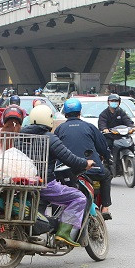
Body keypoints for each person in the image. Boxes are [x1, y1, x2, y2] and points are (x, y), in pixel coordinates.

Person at [21, 105, 94, 246]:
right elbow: (70, 158)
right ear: (48, 120)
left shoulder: (20, 136)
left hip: (23, 183)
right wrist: (85, 163)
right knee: (79, 197)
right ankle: (63, 233)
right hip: (44, 184)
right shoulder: (50, 138)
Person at [55, 98, 113, 219]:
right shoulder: (89, 127)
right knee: (107, 175)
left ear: (65, 113)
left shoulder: (60, 129)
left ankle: (56, 216)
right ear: (80, 112)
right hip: (90, 169)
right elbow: (103, 147)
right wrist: (108, 158)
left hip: (65, 172)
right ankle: (105, 207)